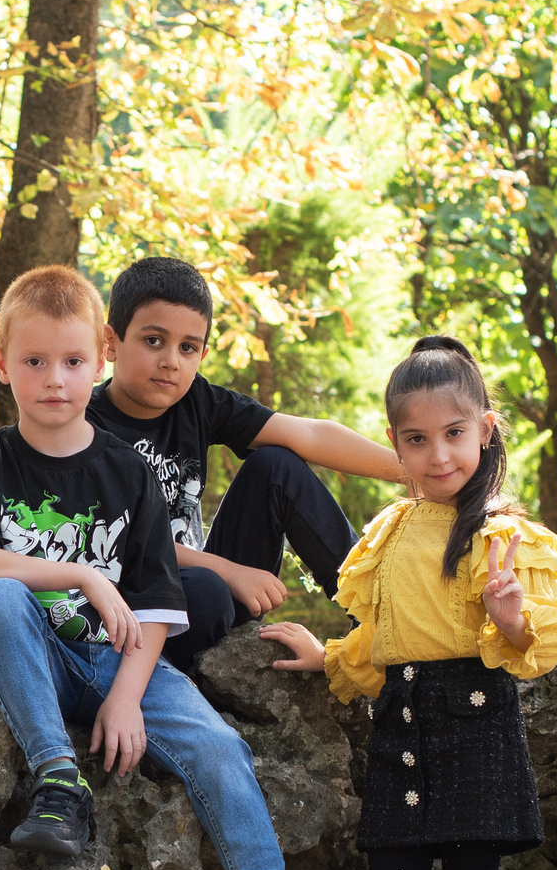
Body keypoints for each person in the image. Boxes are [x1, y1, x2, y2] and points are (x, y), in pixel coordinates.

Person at [0, 265, 357, 870]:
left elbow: (162, 604)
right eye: (34, 361)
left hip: (119, 659)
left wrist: (128, 699)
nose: (55, 380)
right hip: (31, 652)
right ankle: (57, 780)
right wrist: (80, 572)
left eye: (72, 362)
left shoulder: (127, 471)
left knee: (219, 747)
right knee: (1, 596)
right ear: (2, 363)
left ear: (96, 362)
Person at [261, 339, 557, 870]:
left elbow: (536, 643)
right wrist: (329, 658)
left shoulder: (503, 535)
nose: (439, 456)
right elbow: (384, 640)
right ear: (395, 443)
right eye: (418, 439)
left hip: (476, 726)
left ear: (485, 430)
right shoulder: (391, 529)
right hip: (401, 725)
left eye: (455, 434)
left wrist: (512, 616)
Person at [87, 256, 407, 672]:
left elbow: (307, 434)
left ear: (202, 352)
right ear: (110, 342)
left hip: (205, 587)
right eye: (153, 341)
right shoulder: (86, 427)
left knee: (276, 466)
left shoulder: (195, 401)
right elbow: (125, 543)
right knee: (207, 591)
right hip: (136, 607)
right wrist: (230, 571)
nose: (171, 361)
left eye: (187, 348)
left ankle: (382, 621)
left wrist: (412, 469)